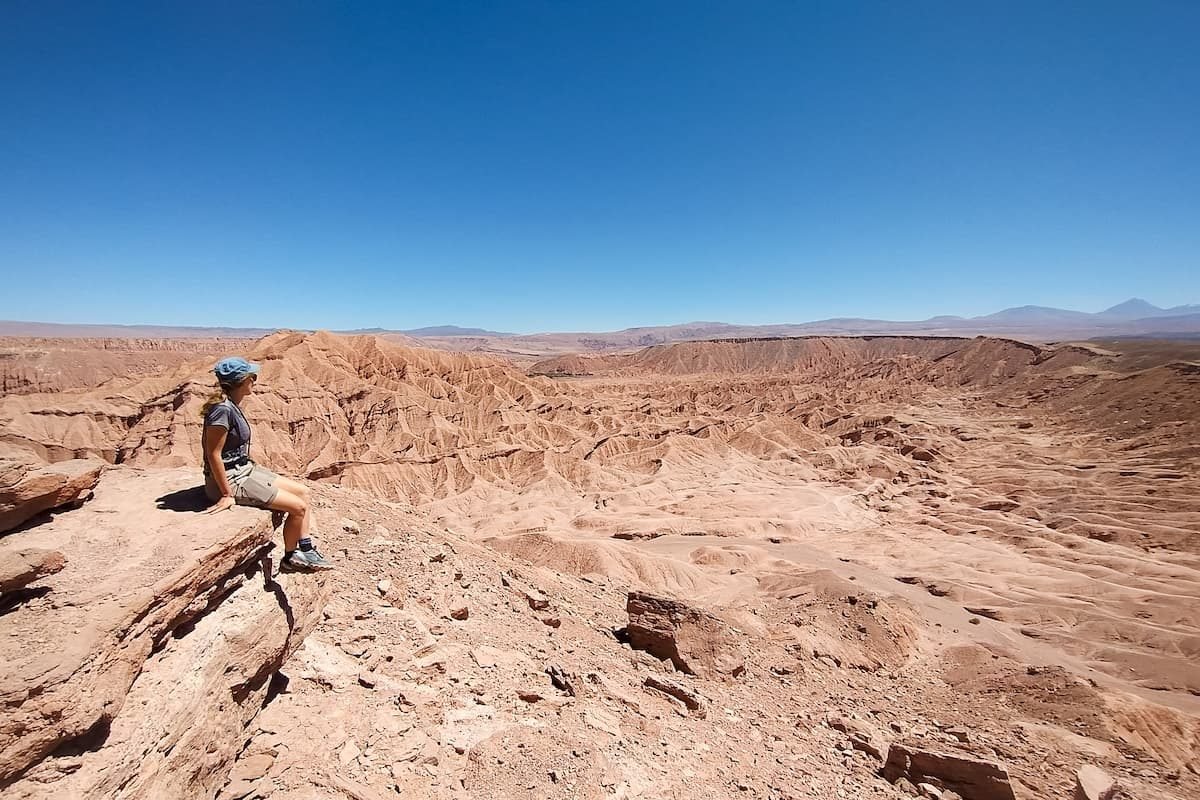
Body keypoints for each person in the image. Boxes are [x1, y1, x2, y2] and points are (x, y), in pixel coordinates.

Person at [200, 356, 334, 572]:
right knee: (298, 508)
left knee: (304, 493)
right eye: (252, 376)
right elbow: (213, 454)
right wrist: (226, 494)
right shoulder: (222, 410)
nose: (255, 380)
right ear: (242, 381)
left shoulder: (230, 405)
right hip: (233, 480)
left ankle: (306, 549)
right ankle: (290, 559)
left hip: (244, 470)